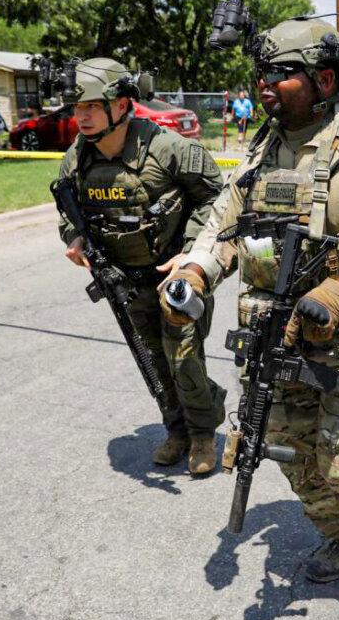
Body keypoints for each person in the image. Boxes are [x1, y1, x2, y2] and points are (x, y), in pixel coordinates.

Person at [162, 17, 339, 582]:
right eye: (261, 73)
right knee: (293, 454)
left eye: (282, 73)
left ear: (326, 79)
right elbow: (224, 228)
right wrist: (192, 274)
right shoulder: (261, 151)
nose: (265, 84)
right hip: (277, 340)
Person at [55, 57, 227, 474]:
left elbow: (216, 198)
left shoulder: (168, 148)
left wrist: (191, 252)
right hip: (125, 281)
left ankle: (203, 434)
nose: (83, 117)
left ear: (121, 104)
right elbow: (66, 210)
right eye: (78, 108)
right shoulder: (77, 159)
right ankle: (177, 430)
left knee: (183, 357)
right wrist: (73, 238)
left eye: (92, 106)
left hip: (176, 276)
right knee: (150, 358)